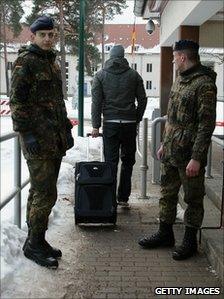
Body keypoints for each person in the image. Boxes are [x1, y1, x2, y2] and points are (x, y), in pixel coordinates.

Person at [138, 40, 217, 260]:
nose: (173, 60)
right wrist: (165, 142)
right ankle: (165, 234)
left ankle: (190, 242)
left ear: (182, 57)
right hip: (172, 150)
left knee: (193, 198)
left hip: (190, 155)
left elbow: (206, 124)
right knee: (167, 194)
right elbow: (172, 117)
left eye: (174, 56)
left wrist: (197, 158)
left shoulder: (204, 84)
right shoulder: (180, 80)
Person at [10, 15, 74, 269]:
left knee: (40, 192)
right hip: (37, 140)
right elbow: (17, 102)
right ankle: (34, 244)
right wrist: (26, 134)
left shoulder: (52, 64)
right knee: (45, 193)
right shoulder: (26, 63)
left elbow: (57, 103)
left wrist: (67, 129)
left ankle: (35, 240)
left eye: (51, 34)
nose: (48, 39)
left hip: (53, 139)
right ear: (33, 36)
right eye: (43, 35)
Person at [91, 45, 147, 208]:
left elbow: (96, 102)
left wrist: (96, 125)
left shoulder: (100, 75)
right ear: (123, 57)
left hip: (110, 124)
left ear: (110, 56)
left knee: (111, 162)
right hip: (129, 124)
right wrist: (136, 117)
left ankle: (110, 198)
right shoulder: (134, 75)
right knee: (128, 161)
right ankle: (123, 197)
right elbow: (142, 99)